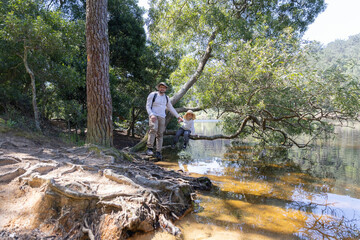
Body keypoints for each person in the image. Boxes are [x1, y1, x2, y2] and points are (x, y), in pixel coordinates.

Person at [145, 82, 183, 160]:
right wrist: (151, 114)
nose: (162, 88)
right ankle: (149, 148)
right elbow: (148, 106)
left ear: (166, 89)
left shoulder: (166, 97)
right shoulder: (153, 95)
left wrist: (178, 116)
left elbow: (170, 108)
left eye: (164, 87)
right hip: (153, 115)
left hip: (162, 116)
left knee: (160, 134)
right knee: (153, 129)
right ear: (158, 88)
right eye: (161, 87)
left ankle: (158, 152)